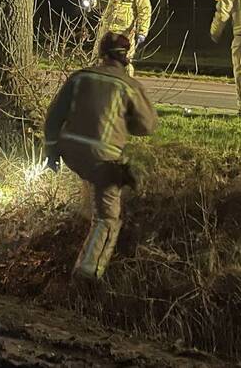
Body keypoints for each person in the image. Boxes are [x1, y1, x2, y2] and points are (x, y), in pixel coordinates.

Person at [44, 32, 158, 281]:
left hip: (71, 151)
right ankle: (87, 275)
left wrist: (51, 152)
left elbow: (53, 117)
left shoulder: (79, 77)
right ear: (125, 58)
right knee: (108, 217)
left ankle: (84, 218)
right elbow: (147, 127)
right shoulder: (130, 86)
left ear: (101, 54)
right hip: (103, 158)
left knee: (96, 184)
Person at [94, 0, 152, 77]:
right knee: (98, 60)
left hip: (125, 33)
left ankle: (125, 86)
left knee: (124, 63)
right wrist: (94, 3)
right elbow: (102, 1)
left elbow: (144, 10)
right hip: (106, 30)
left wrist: (142, 31)